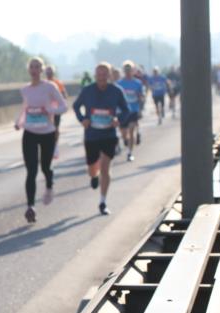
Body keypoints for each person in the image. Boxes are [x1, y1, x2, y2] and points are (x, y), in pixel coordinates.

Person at [71, 62, 130, 215]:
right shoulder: (87, 90)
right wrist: (82, 119)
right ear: (95, 76)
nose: (102, 77)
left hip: (108, 135)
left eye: (105, 74)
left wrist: (119, 120)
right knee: (92, 169)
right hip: (91, 135)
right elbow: (76, 106)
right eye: (99, 74)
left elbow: (126, 110)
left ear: (110, 76)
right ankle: (93, 176)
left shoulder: (116, 91)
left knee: (105, 168)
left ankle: (103, 202)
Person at [16, 58, 67, 223]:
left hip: (47, 132)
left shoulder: (49, 87)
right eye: (32, 66)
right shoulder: (25, 90)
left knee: (45, 167)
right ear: (28, 70)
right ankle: (30, 206)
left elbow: (63, 106)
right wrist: (19, 122)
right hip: (30, 132)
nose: (34, 69)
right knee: (31, 170)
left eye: (37, 67)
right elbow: (25, 108)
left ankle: (49, 186)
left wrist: (50, 110)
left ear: (42, 70)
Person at [116, 60, 145, 161]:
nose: (128, 72)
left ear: (133, 71)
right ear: (124, 71)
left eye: (130, 70)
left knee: (131, 130)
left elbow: (142, 96)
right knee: (124, 133)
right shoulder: (119, 84)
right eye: (126, 70)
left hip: (133, 110)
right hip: (122, 112)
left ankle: (130, 153)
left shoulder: (138, 83)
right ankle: (126, 140)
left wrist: (140, 98)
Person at [44, 64, 68, 160]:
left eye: (50, 72)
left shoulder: (58, 83)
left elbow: (64, 95)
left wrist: (59, 102)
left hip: (55, 110)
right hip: (45, 111)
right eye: (47, 72)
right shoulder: (42, 83)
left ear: (53, 73)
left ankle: (55, 146)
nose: (49, 73)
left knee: (55, 129)